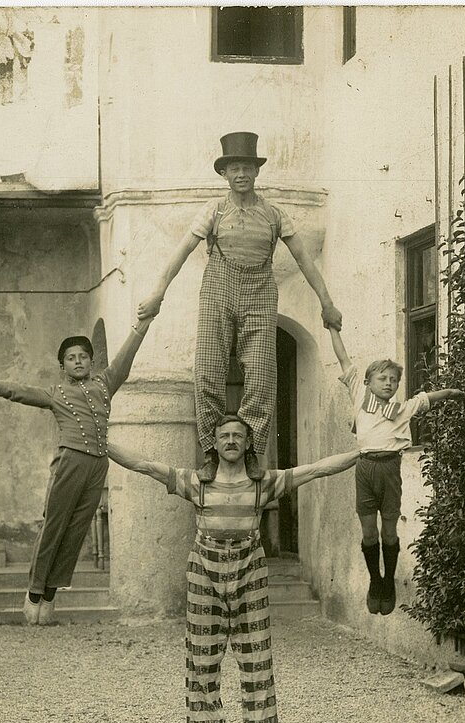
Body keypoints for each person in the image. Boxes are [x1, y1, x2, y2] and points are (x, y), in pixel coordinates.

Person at [108, 415, 358, 723]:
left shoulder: (264, 483)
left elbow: (317, 470)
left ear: (248, 443)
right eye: (223, 435)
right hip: (204, 573)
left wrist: (367, 450)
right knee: (203, 658)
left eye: (237, 436)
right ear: (214, 443)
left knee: (256, 656)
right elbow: (144, 465)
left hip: (249, 570)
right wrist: (99, 445)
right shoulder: (196, 482)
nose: (230, 441)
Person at [137, 131, 343, 483]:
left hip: (260, 290)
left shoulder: (275, 215)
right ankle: (210, 453)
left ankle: (251, 452)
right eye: (234, 168)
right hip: (218, 286)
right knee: (207, 371)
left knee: (262, 375)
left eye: (247, 167)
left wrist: (327, 303)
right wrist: (157, 293)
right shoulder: (214, 210)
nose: (241, 174)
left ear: (256, 172)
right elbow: (182, 251)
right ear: (225, 174)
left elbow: (305, 260)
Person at [0, 317, 153, 626]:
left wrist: (142, 323)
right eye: (71, 358)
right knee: (54, 527)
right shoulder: (56, 393)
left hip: (97, 466)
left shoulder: (106, 383)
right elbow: (14, 391)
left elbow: (127, 354)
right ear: (62, 366)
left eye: (82, 356)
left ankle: (50, 594)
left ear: (91, 361)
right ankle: (34, 593)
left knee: (76, 531)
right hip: (70, 463)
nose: (78, 361)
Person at [328, 326, 465, 616]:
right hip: (365, 468)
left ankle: (388, 580)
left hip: (390, 469)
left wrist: (452, 392)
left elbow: (427, 398)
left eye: (394, 380)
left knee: (388, 530)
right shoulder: (358, 397)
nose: (389, 383)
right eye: (383, 378)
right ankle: (374, 580)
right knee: (368, 532)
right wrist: (332, 327)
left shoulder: (401, 409)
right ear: (367, 382)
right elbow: (342, 358)